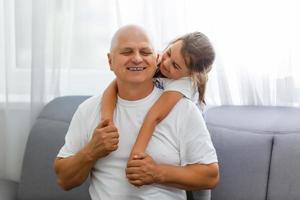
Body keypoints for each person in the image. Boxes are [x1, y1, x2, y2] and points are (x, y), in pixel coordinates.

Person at [54, 25, 219, 200]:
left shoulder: (182, 105)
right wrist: (92, 150)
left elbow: (210, 176)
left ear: (154, 57)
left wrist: (156, 172)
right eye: (127, 52)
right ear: (110, 61)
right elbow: (64, 180)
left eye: (145, 52)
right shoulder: (88, 110)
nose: (137, 59)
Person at [101, 31, 215, 162]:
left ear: (191, 74)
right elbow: (114, 85)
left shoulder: (185, 83)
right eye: (169, 53)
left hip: (181, 133)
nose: (166, 63)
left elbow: (155, 116)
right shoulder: (158, 59)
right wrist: (107, 121)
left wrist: (136, 155)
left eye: (175, 66)